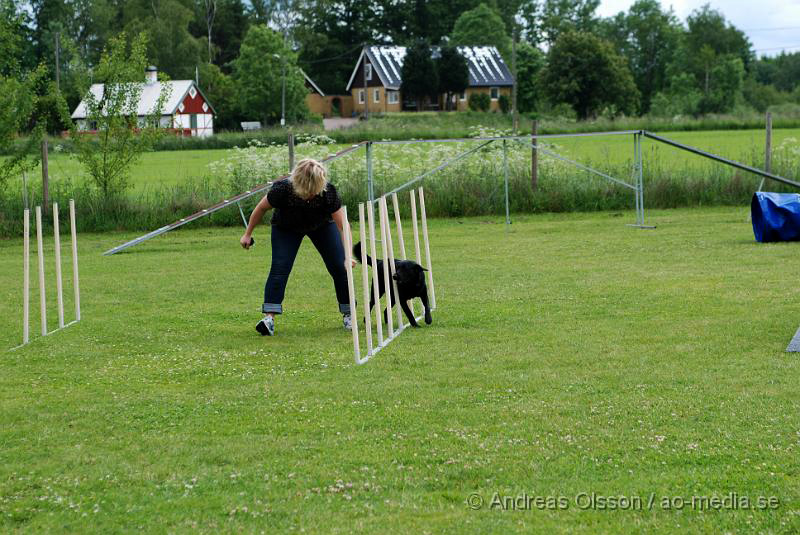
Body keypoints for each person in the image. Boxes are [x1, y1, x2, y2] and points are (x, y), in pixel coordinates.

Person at [240, 158, 352, 336]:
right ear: (298, 183)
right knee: (280, 267)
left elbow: (343, 226)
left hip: (321, 226)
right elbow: (261, 208)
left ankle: (349, 314)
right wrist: (247, 234)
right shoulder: (283, 189)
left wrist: (348, 254)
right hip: (286, 228)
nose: (310, 194)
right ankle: (269, 319)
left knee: (340, 266)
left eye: (314, 190)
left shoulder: (328, 192)